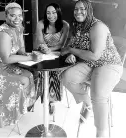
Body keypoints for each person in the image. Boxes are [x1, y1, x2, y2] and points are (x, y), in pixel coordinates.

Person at [0, 2, 42, 128]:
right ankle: (5, 116)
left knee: (28, 76)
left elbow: (20, 50)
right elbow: (6, 58)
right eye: (13, 15)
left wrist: (33, 53)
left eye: (20, 15)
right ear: (6, 16)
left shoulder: (19, 28)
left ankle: (16, 111)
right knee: (18, 83)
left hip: (3, 66)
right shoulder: (3, 32)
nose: (17, 19)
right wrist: (30, 57)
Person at [61, 0, 123, 137]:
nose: (78, 12)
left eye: (82, 9)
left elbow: (95, 55)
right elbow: (75, 45)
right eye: (76, 9)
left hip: (108, 64)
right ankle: (87, 103)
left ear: (89, 10)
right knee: (66, 77)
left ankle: (101, 133)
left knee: (98, 95)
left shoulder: (97, 26)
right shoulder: (77, 26)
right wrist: (72, 53)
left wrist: (71, 50)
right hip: (89, 64)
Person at [34, 3, 69, 115]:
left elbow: (61, 44)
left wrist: (50, 50)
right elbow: (40, 42)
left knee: (54, 71)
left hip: (57, 53)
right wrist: (45, 49)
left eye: (54, 12)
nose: (51, 15)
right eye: (48, 13)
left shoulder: (65, 25)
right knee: (40, 70)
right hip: (43, 52)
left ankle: (52, 101)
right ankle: (36, 97)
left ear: (58, 12)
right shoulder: (40, 24)